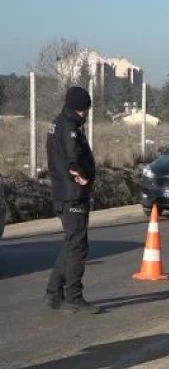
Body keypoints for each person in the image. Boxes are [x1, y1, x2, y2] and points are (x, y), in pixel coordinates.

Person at [44, 86, 102, 314]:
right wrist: (83, 176)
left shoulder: (58, 122)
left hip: (62, 193)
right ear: (81, 108)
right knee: (78, 246)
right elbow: (73, 159)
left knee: (70, 243)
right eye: (86, 109)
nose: (87, 115)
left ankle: (53, 292)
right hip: (72, 195)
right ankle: (74, 296)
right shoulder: (69, 127)